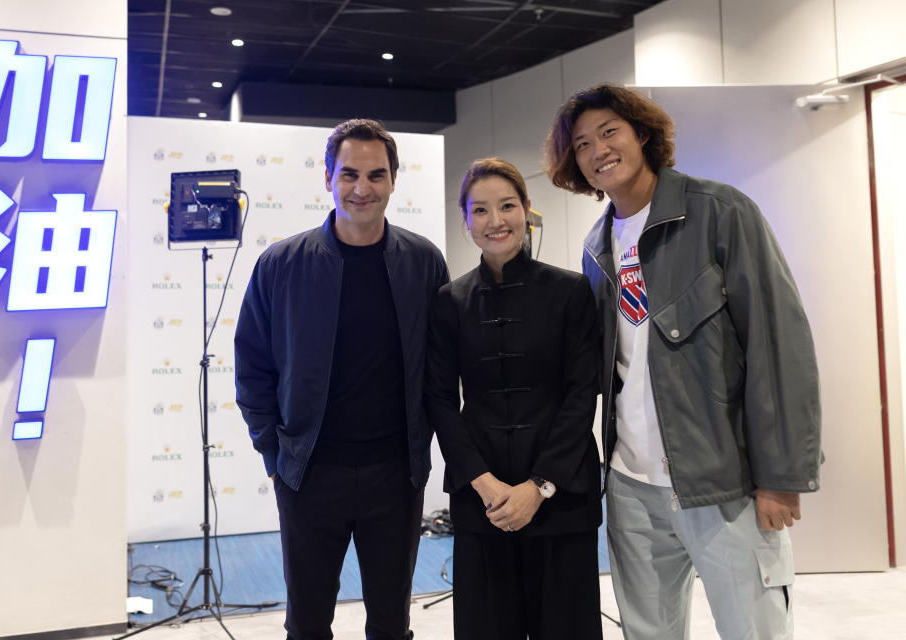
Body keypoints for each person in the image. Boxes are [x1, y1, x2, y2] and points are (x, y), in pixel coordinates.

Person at [544, 84, 823, 639]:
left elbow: (779, 344)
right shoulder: (597, 247)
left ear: (642, 133)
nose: (597, 150)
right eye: (581, 144)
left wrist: (781, 476)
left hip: (723, 480)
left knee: (755, 630)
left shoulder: (720, 212)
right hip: (630, 484)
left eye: (609, 132)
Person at [235, 118, 449, 640]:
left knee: (391, 626)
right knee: (306, 624)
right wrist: (275, 456)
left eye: (376, 175)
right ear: (327, 177)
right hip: (310, 475)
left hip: (395, 475)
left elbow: (443, 367)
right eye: (349, 174)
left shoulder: (423, 262)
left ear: (394, 180)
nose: (362, 188)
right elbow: (252, 366)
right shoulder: (281, 264)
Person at [426, 157, 604, 640]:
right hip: (482, 498)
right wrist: (484, 484)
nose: (495, 220)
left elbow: (581, 393)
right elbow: (441, 400)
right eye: (480, 210)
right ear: (466, 221)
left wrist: (538, 486)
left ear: (527, 210)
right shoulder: (450, 301)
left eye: (507, 206)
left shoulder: (570, 291)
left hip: (560, 493)